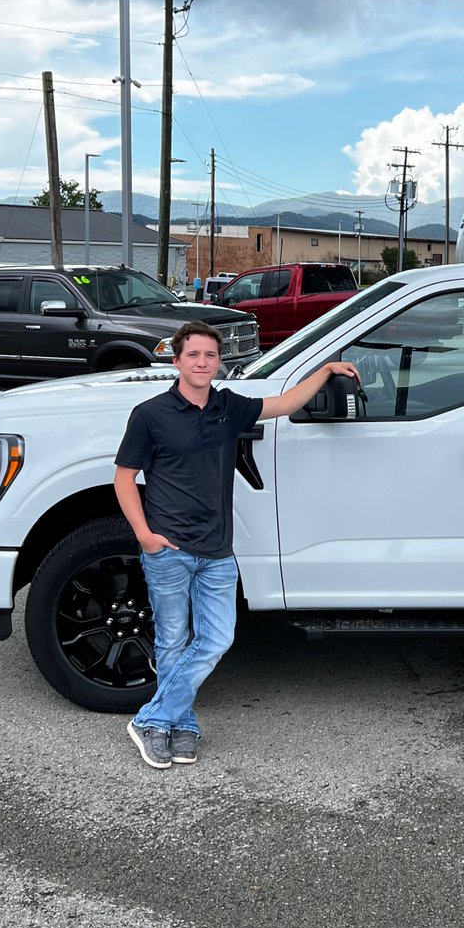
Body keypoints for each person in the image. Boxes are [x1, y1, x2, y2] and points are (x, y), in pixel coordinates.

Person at [115, 319, 360, 770]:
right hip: (167, 548)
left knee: (217, 639)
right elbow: (124, 478)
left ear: (218, 362)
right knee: (172, 641)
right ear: (177, 361)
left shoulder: (229, 407)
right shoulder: (150, 415)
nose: (202, 362)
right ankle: (179, 725)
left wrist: (325, 370)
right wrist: (145, 536)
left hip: (217, 551)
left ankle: (152, 718)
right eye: (193, 355)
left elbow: (286, 402)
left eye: (210, 355)